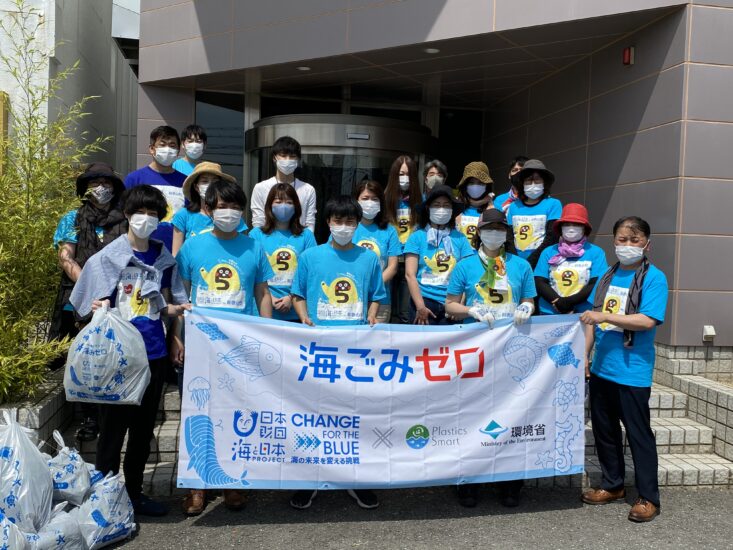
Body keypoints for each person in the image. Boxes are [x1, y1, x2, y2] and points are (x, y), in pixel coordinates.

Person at [69, 185, 190, 517]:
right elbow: (83, 301)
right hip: (117, 358)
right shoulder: (109, 256)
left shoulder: (163, 255)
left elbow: (167, 299)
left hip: (152, 353)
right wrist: (95, 306)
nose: (146, 219)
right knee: (111, 432)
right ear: (127, 214)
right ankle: (105, 499)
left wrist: (176, 325)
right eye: (141, 212)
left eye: (154, 213)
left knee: (142, 431)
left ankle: (134, 495)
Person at [176, 179, 274, 515]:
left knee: (236, 412)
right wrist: (177, 337)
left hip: (239, 345)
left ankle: (234, 481)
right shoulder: (192, 247)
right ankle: (195, 486)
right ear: (208, 209)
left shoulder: (253, 246)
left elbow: (262, 293)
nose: (228, 213)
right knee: (196, 412)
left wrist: (266, 333)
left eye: (234, 206)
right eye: (221, 206)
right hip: (200, 344)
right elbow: (181, 297)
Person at [289, 195, 386, 510]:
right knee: (313, 417)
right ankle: (310, 480)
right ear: (328, 223)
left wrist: (372, 315)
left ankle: (355, 480)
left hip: (354, 351)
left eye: (350, 222)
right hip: (319, 350)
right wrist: (303, 316)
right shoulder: (310, 256)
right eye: (338, 221)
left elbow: (377, 295)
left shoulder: (369, 258)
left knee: (353, 418)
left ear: (358, 225)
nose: (344, 227)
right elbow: (298, 294)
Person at [445, 208, 536, 508]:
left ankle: (511, 483)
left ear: (507, 233)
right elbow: (449, 306)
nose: (494, 233)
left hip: (512, 351)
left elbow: (528, 298)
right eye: (489, 228)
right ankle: (467, 481)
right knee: (471, 416)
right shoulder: (465, 265)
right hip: (475, 352)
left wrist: (526, 307)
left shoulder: (520, 266)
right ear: (479, 232)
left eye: (500, 228)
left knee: (512, 415)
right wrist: (470, 310)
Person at [580, 216, 668, 523]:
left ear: (646, 244)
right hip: (603, 368)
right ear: (613, 242)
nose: (627, 245)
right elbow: (592, 321)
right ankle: (613, 485)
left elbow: (647, 320)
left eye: (634, 240)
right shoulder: (607, 275)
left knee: (638, 433)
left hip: (632, 370)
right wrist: (585, 356)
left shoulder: (654, 278)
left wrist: (605, 315)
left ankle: (648, 497)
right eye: (621, 239)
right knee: (605, 431)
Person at [52, 162, 128, 442]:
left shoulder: (124, 220)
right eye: (95, 182)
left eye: (107, 183)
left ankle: (113, 414)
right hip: (81, 299)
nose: (102, 188)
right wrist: (90, 284)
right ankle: (88, 416)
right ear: (84, 189)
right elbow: (65, 257)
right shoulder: (72, 219)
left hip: (119, 297)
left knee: (113, 356)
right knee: (86, 358)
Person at [404, 185, 474, 325]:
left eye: (446, 205)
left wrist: (459, 304)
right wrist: (420, 307)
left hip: (452, 302)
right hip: (424, 302)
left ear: (452, 210)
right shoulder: (416, 237)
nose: (441, 209)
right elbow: (410, 275)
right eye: (437, 205)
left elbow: (468, 274)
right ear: (428, 208)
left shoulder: (460, 238)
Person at [249, 183, 317, 322]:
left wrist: (291, 298)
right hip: (262, 311)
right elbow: (251, 272)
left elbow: (311, 272)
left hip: (297, 313)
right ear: (269, 205)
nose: (283, 206)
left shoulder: (306, 236)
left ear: (296, 206)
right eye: (278, 202)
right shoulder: (256, 235)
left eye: (289, 202)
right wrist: (269, 298)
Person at [534, 203, 608, 315]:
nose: (571, 228)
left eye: (577, 224)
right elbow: (540, 281)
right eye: (567, 224)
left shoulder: (596, 252)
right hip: (550, 312)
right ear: (560, 228)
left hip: (583, 314)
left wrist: (569, 302)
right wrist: (559, 302)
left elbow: (596, 283)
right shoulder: (549, 251)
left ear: (585, 229)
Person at [124, 126, 187, 252]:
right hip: (139, 251)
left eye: (172, 145)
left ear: (178, 151)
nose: (167, 149)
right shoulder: (134, 179)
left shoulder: (186, 182)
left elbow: (189, 218)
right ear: (152, 149)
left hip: (175, 252)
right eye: (162, 144)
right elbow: (122, 215)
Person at [351, 180, 402, 323]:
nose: (370, 202)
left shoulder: (389, 230)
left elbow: (392, 267)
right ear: (356, 201)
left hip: (380, 300)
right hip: (351, 296)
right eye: (365, 199)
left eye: (374, 199)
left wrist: (373, 285)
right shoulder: (347, 226)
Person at [171, 161, 246, 256]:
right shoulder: (183, 215)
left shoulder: (232, 215)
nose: (210, 185)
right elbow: (177, 254)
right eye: (204, 181)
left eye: (215, 181)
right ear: (196, 187)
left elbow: (242, 248)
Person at [384, 155, 422, 324]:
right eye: (400, 174)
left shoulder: (419, 202)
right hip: (390, 259)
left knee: (406, 309)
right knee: (387, 306)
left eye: (408, 174)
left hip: (410, 259)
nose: (404, 179)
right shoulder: (385, 200)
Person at [250, 136, 316, 232]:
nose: (287, 160)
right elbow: (258, 222)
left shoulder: (308, 189)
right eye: (283, 155)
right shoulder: (260, 187)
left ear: (298, 159)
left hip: (298, 242)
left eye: (292, 156)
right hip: (268, 243)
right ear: (274, 158)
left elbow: (309, 224)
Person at [506, 159, 562, 269]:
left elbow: (552, 237)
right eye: (528, 180)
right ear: (522, 184)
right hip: (516, 264)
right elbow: (509, 237)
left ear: (544, 183)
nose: (532, 184)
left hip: (542, 264)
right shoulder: (513, 206)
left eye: (537, 180)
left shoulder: (553, 204)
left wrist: (532, 261)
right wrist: (516, 261)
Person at [455, 161, 494, 241]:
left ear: (487, 186)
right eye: (471, 183)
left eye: (480, 183)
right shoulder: (456, 208)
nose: (475, 186)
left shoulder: (494, 207)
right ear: (465, 185)